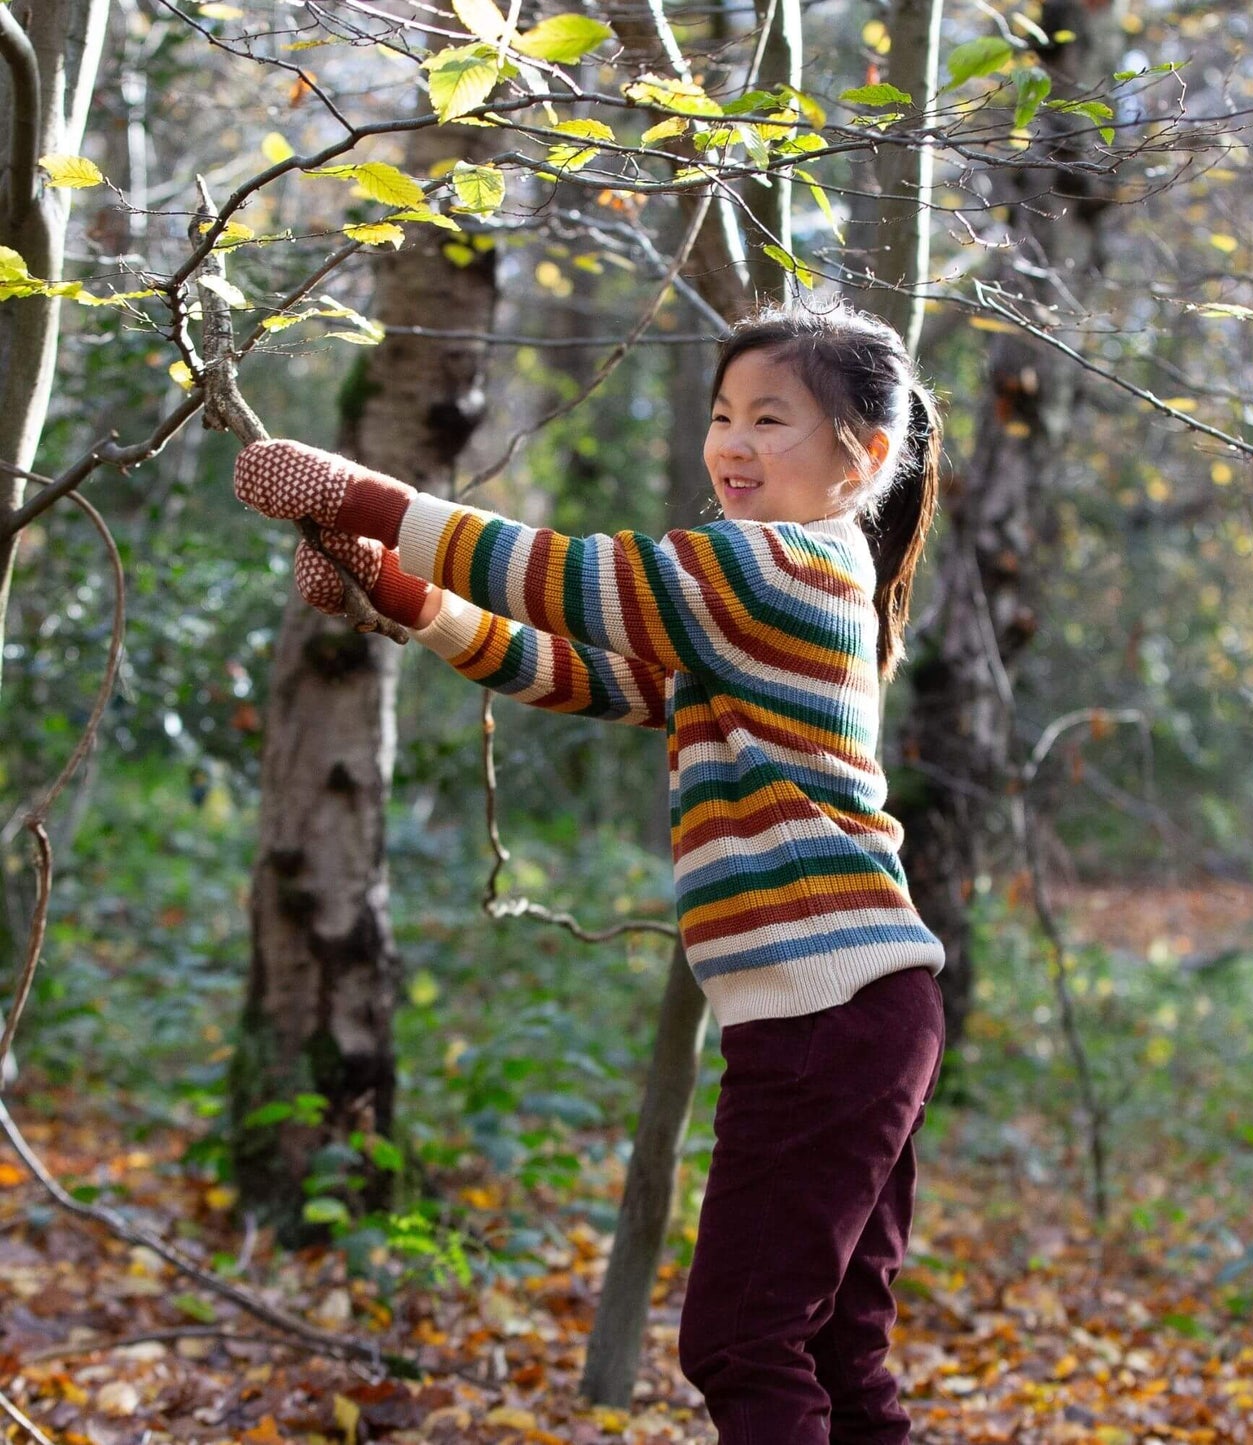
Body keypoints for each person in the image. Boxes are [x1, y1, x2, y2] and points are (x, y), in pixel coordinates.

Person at [234, 301, 947, 1443]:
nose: (733, 443)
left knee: (743, 1341)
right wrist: (406, 598)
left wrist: (356, 494)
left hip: (827, 1015)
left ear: (859, 457)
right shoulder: (769, 597)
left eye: (773, 419)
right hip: (860, 1009)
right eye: (724, 415)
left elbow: (558, 575)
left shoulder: (772, 565)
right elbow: (579, 670)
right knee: (829, 1352)